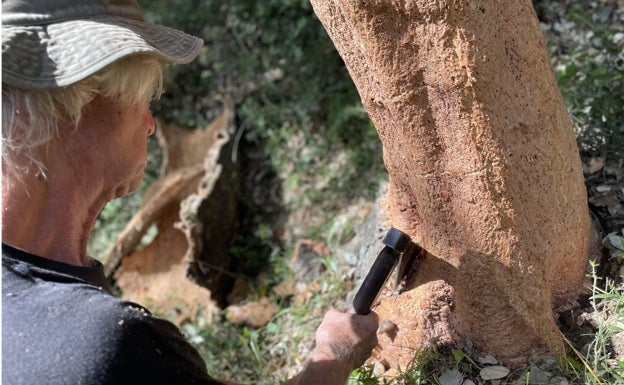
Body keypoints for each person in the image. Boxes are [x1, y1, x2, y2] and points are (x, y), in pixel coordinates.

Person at [1, 1, 380, 384]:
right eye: (141, 100)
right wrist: (334, 355)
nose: (149, 124)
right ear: (69, 116)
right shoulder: (108, 347)